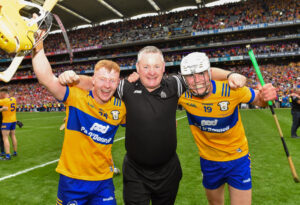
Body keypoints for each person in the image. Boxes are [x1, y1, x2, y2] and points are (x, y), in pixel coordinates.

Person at [58, 46, 247, 205]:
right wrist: (74, 78)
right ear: (137, 68)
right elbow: (93, 82)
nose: (152, 71)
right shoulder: (125, 88)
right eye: (146, 66)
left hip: (168, 172)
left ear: (164, 67)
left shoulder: (175, 84)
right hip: (135, 173)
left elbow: (205, 71)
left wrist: (231, 74)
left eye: (156, 66)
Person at [32, 34, 126, 205]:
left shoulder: (120, 108)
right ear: (93, 80)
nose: (107, 85)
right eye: (103, 79)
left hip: (103, 181)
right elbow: (45, 78)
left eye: (112, 81)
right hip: (72, 180)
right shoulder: (75, 96)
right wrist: (37, 43)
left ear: (118, 83)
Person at [177, 52, 277, 205]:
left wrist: (266, 96)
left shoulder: (230, 89)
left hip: (237, 159)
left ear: (209, 73)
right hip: (209, 161)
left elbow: (259, 100)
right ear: (184, 78)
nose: (197, 80)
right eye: (190, 76)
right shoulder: (182, 95)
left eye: (201, 74)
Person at [0, 87, 18, 160]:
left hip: (6, 121)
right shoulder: (13, 99)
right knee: (13, 136)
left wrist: (1, 109)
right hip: (13, 120)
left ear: (3, 94)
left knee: (5, 138)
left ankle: (7, 155)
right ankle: (15, 152)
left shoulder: (4, 101)